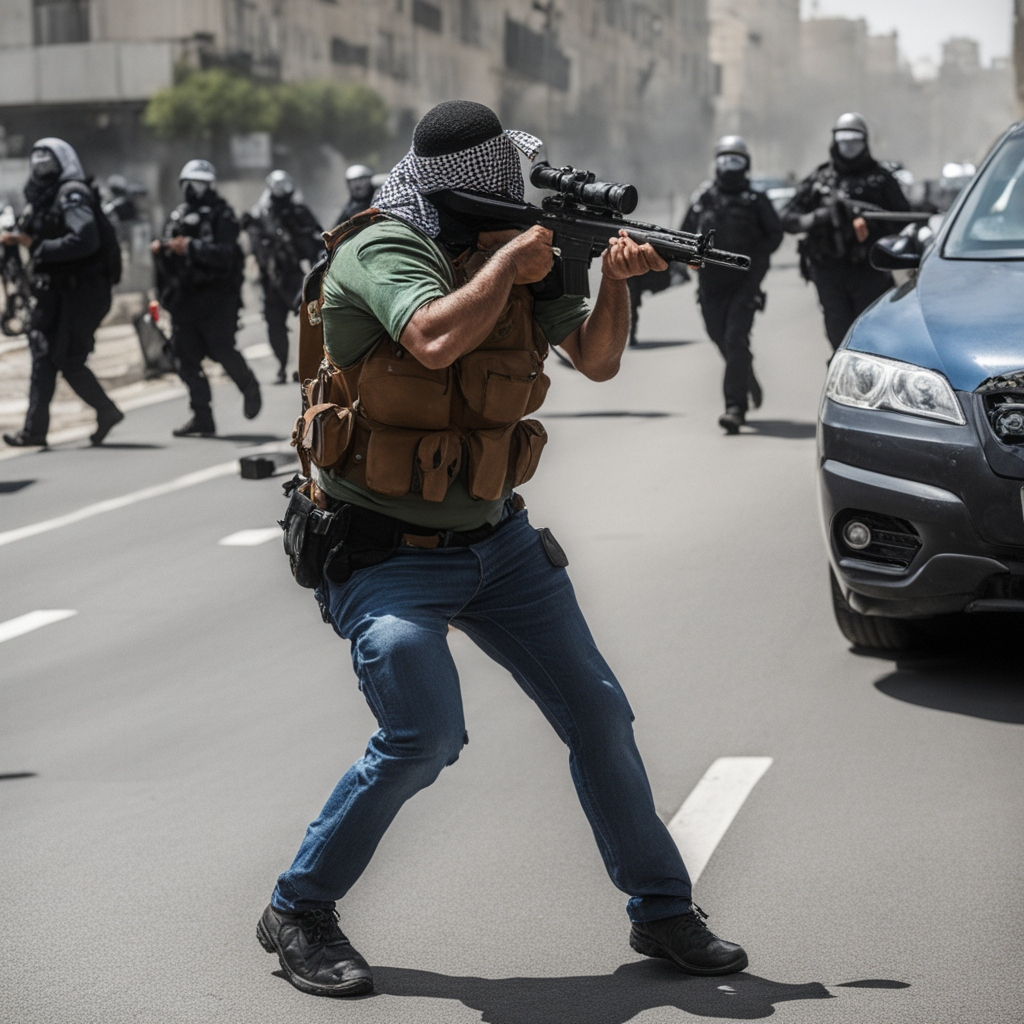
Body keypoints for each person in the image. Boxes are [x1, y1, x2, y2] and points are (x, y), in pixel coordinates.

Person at [258, 99, 748, 999]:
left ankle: (662, 909)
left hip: (501, 543)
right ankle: (298, 906)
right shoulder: (381, 249)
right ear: (459, 192)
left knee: (598, 713)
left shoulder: (519, 255)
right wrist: (515, 263)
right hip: (384, 553)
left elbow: (595, 362)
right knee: (424, 735)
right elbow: (434, 335)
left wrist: (614, 280)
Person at [1, 137, 123, 448]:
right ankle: (35, 431)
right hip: (54, 293)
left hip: (80, 294)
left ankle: (106, 410)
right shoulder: (43, 199)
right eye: (37, 160)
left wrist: (37, 247)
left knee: (67, 358)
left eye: (48, 161)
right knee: (43, 355)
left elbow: (85, 239)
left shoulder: (72, 195)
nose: (41, 166)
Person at [782, 112, 910, 350]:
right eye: (844, 141)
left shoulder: (881, 179)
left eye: (855, 141)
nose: (849, 147)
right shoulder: (821, 178)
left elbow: (903, 220)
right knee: (838, 335)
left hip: (870, 272)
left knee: (869, 338)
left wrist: (869, 219)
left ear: (865, 142)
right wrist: (818, 217)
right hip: (829, 272)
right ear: (835, 142)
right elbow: (787, 218)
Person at [152, 160, 261, 437]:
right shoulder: (177, 215)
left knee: (221, 349)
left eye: (198, 183)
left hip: (216, 299)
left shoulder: (221, 215)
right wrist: (164, 250)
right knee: (183, 356)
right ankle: (202, 416)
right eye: (188, 183)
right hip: (184, 299)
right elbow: (167, 253)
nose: (192, 189)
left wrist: (192, 247)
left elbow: (228, 255)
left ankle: (248, 386)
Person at [682, 135, 783, 433]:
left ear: (746, 165)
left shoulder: (756, 201)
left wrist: (757, 262)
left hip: (744, 284)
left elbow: (774, 235)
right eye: (725, 160)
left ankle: (735, 407)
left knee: (735, 338)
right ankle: (745, 374)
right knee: (719, 336)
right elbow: (685, 233)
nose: (730, 167)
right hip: (710, 285)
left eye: (736, 161)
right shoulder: (703, 199)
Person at [244, 170, 323, 383]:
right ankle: (282, 366)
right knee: (273, 323)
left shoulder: (298, 211)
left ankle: (307, 365)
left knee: (309, 319)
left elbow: (317, 241)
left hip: (296, 276)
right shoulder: (260, 214)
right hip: (270, 279)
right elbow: (253, 246)